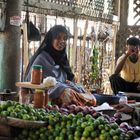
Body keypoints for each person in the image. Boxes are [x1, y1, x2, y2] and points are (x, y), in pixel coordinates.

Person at [24, 25, 96, 106]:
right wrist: (62, 86)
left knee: (91, 97)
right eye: (58, 38)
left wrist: (70, 85)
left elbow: (68, 80)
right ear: (51, 39)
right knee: (67, 94)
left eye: (65, 39)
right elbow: (38, 84)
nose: (62, 41)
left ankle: (80, 104)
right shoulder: (41, 59)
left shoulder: (62, 59)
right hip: (45, 95)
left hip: (64, 89)